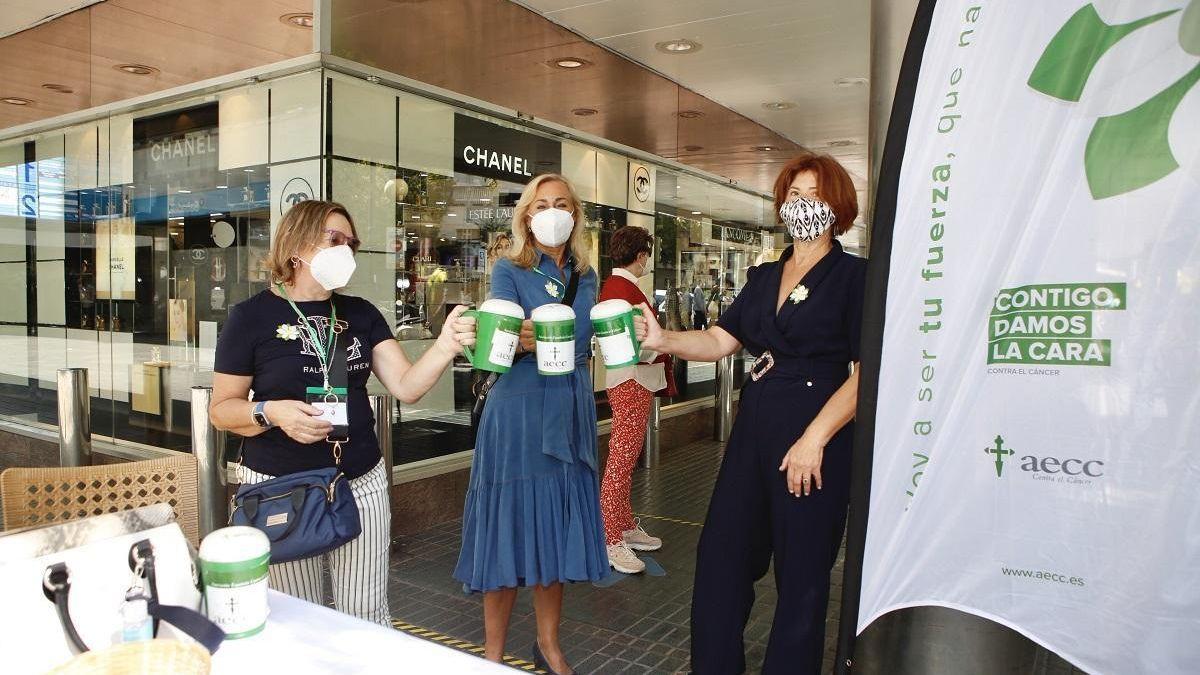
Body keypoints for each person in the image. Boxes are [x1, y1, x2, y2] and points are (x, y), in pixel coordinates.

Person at [635, 153, 865, 674]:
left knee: (802, 577)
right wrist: (664, 338)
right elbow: (720, 339)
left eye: (813, 195)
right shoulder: (764, 275)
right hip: (754, 432)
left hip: (816, 440)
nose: (800, 205)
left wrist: (815, 439)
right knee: (722, 559)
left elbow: (868, 371)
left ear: (838, 206)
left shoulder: (856, 277)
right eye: (792, 194)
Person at [210, 200, 475, 625]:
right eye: (334, 240)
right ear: (296, 245)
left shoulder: (360, 314)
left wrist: (445, 345)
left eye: (351, 244)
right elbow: (222, 410)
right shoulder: (251, 318)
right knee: (299, 618)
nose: (345, 251)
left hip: (359, 481)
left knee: (366, 613)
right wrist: (272, 412)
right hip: (283, 487)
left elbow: (406, 386)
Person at [454, 174, 606, 675]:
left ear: (575, 214)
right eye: (542, 205)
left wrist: (533, 333)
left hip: (569, 409)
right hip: (517, 413)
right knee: (506, 531)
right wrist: (543, 337)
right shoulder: (507, 268)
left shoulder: (588, 274)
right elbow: (501, 338)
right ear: (526, 215)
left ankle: (549, 644)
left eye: (562, 204)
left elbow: (580, 337)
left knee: (554, 534)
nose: (552, 212)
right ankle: (492, 657)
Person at [597, 226, 676, 574]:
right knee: (621, 461)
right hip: (632, 380)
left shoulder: (618, 288)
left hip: (630, 380)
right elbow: (630, 346)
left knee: (625, 459)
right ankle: (610, 537)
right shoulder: (622, 291)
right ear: (641, 255)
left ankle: (623, 525)